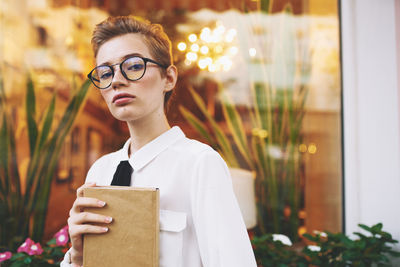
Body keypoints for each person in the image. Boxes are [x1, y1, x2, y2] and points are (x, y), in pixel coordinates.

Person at [61, 16, 257, 267]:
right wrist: (78, 256)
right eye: (105, 72)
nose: (117, 80)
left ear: (169, 78)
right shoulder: (101, 170)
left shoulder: (199, 164)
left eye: (133, 66)